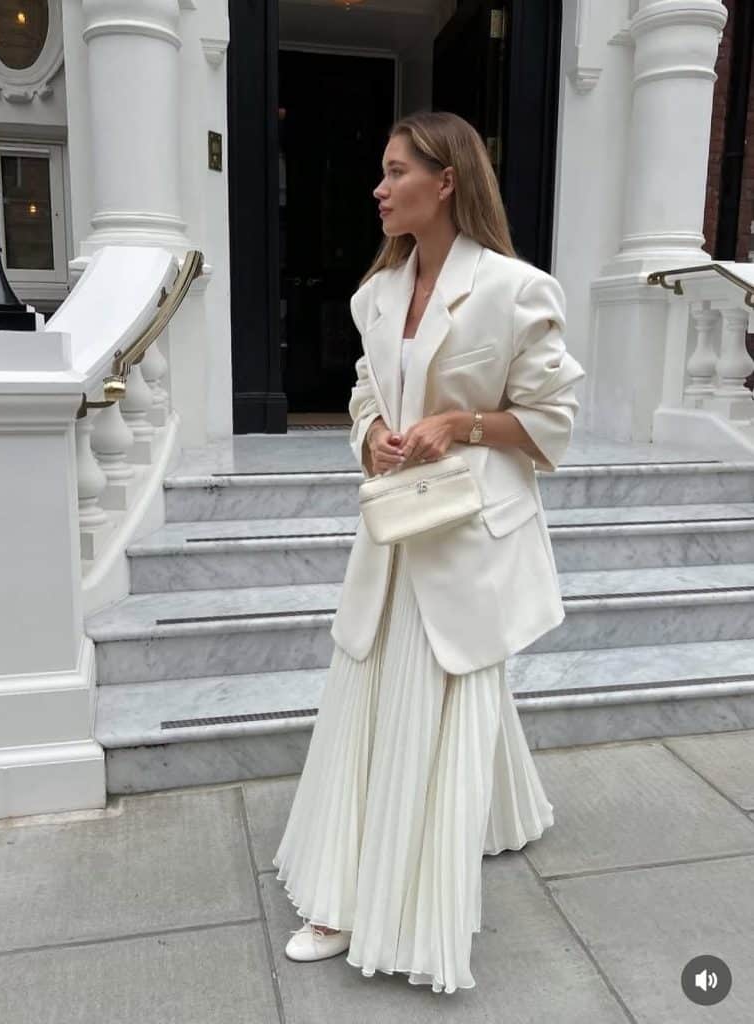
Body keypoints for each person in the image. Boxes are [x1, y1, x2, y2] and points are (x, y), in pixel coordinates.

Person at [272, 110, 586, 995]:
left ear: (445, 180)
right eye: (379, 171)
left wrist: (463, 423)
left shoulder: (518, 290)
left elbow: (552, 419)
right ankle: (397, 855)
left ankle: (372, 905)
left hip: (470, 533)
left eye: (394, 170)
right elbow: (369, 388)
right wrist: (369, 434)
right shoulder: (374, 295)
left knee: (440, 688)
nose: (377, 187)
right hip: (395, 528)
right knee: (373, 687)